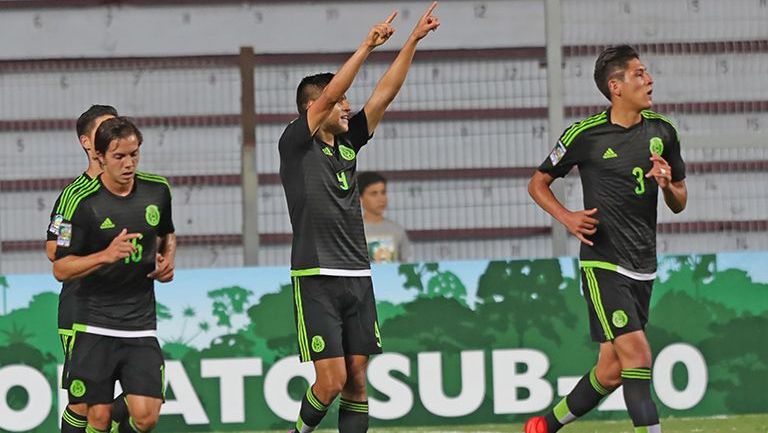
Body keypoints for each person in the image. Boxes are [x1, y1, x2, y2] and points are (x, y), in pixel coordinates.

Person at [278, 3, 439, 432]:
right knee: (329, 383)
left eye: (347, 101)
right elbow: (330, 93)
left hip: (357, 274)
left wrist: (412, 42)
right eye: (340, 102)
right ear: (313, 108)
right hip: (315, 276)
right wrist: (367, 46)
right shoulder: (295, 143)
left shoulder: (349, 142)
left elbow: (385, 93)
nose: (347, 107)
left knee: (357, 381)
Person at [525, 45, 687, 433]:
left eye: (646, 73)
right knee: (638, 357)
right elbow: (537, 183)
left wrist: (666, 185)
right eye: (639, 74)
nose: (648, 80)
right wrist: (566, 216)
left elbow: (680, 200)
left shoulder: (663, 131)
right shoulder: (586, 134)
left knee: (611, 370)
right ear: (616, 86)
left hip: (643, 265)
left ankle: (544, 426)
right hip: (603, 262)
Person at [53, 117, 176, 433]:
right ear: (100, 157)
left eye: (134, 154)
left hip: (140, 323)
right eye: (120, 157)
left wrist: (166, 260)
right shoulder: (81, 203)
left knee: (146, 417)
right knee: (96, 416)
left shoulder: (157, 191)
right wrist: (105, 256)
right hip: (93, 322)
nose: (129, 163)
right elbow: (60, 266)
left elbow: (166, 234)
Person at [45, 105, 130, 433]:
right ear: (86, 142)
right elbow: (55, 249)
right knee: (85, 403)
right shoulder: (74, 196)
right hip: (84, 309)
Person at [357, 171, 411, 263]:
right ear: (360, 198)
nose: (381, 199)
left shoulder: (397, 230)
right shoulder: (355, 232)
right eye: (374, 193)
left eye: (383, 192)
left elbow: (406, 265)